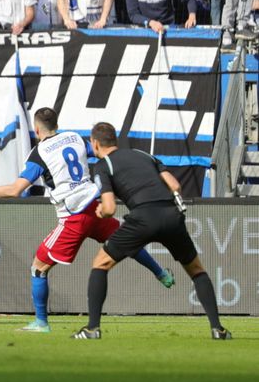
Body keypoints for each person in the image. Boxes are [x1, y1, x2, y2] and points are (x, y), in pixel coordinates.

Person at [0, 108, 174, 333]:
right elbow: (104, 153)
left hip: (74, 216)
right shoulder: (75, 138)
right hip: (95, 205)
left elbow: (15, 190)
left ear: (37, 128)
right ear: (56, 124)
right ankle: (161, 273)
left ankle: (41, 323)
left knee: (38, 268)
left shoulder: (39, 153)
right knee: (125, 241)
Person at [74, 122, 231, 340]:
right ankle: (218, 329)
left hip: (143, 218)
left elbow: (109, 208)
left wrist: (102, 211)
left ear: (95, 143)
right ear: (115, 140)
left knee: (100, 263)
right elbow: (175, 185)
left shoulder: (103, 165)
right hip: (170, 215)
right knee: (196, 270)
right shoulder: (142, 154)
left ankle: (92, 329)